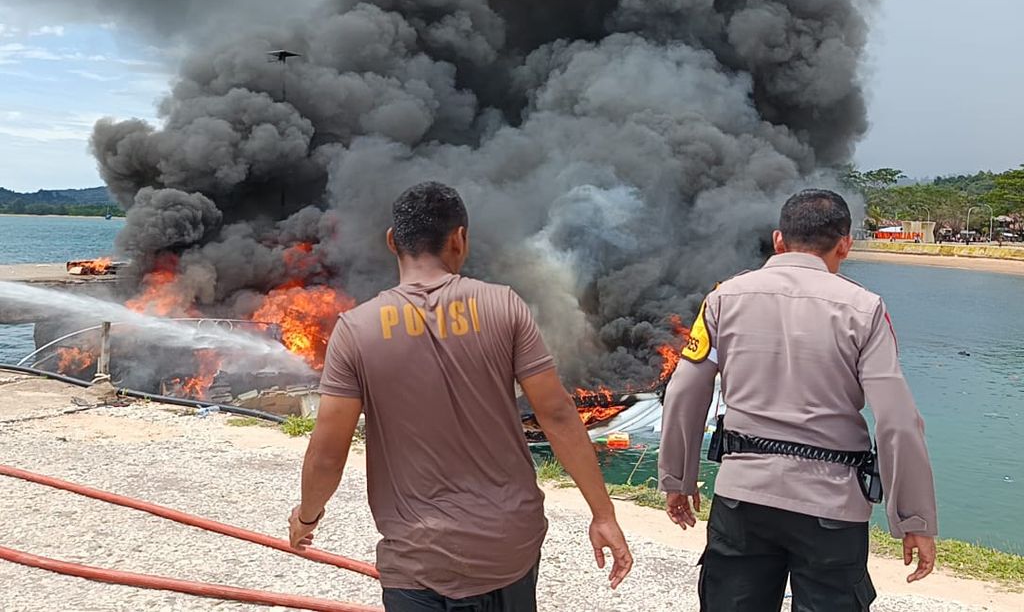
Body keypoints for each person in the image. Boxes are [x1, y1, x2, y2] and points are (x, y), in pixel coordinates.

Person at [288, 181, 632, 611]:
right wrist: (602, 514)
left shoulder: (356, 330)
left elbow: (327, 452)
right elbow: (559, 415)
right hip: (510, 548)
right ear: (460, 238)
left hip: (418, 560)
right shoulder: (504, 306)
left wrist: (307, 517)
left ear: (393, 241)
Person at [659, 189, 938, 611]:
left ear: (778, 240)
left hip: (742, 499)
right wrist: (913, 519)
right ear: (845, 244)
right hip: (832, 506)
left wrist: (677, 480)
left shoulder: (723, 299)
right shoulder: (864, 309)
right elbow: (898, 422)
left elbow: (684, 391)